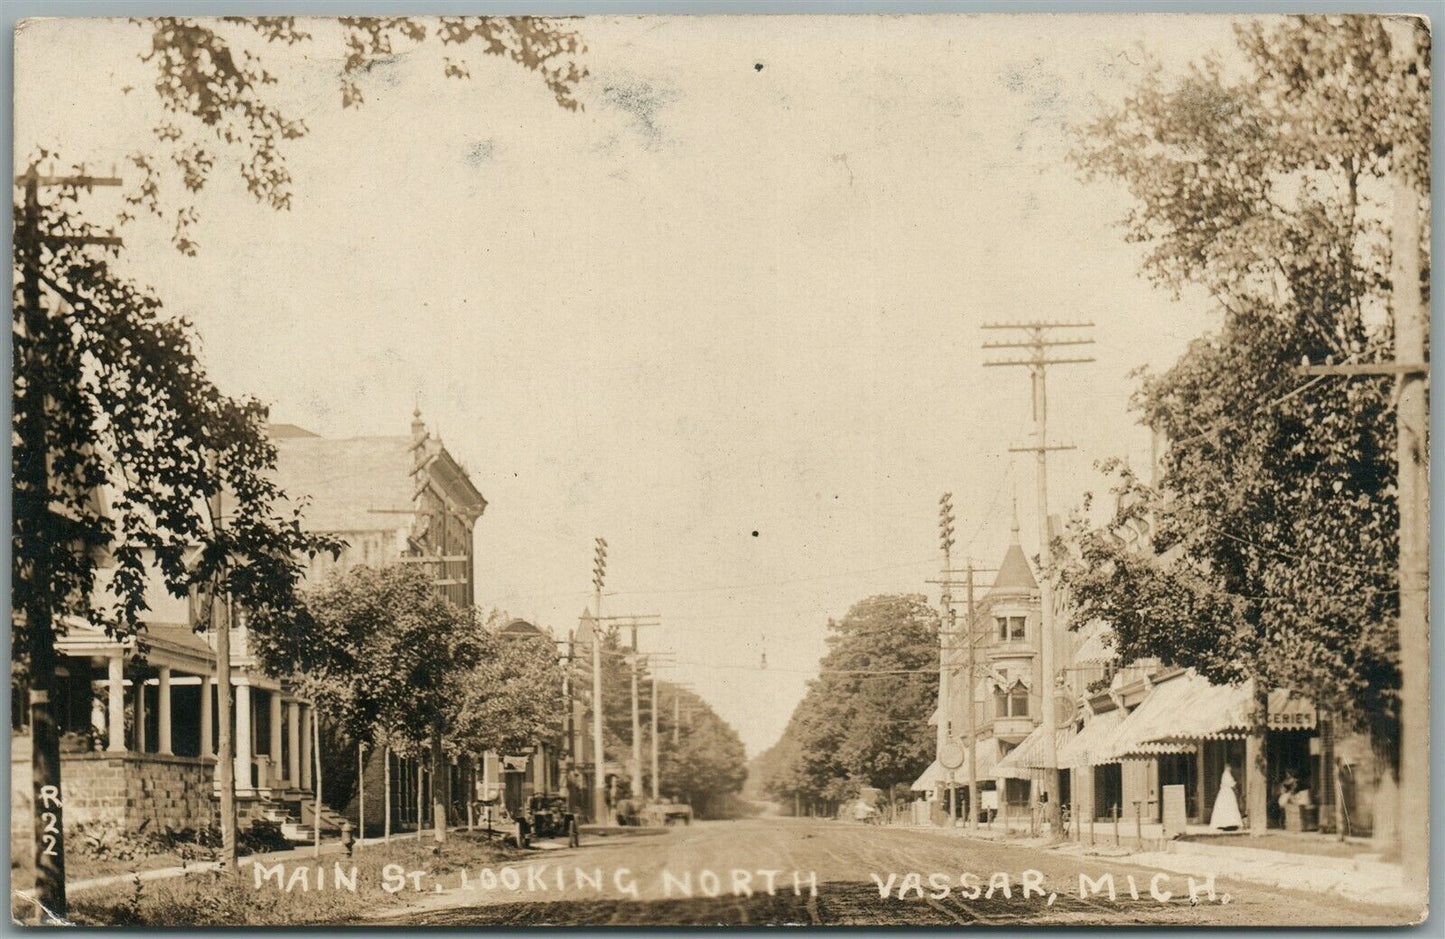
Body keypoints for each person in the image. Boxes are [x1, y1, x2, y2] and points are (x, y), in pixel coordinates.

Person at [1210, 765, 1244, 831]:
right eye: (1229, 767)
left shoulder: (1226, 774)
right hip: (1227, 792)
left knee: (1229, 807)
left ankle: (1229, 823)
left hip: (1226, 792)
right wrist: (1235, 785)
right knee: (1227, 806)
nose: (1230, 768)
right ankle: (1226, 823)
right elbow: (1231, 783)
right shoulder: (1226, 774)